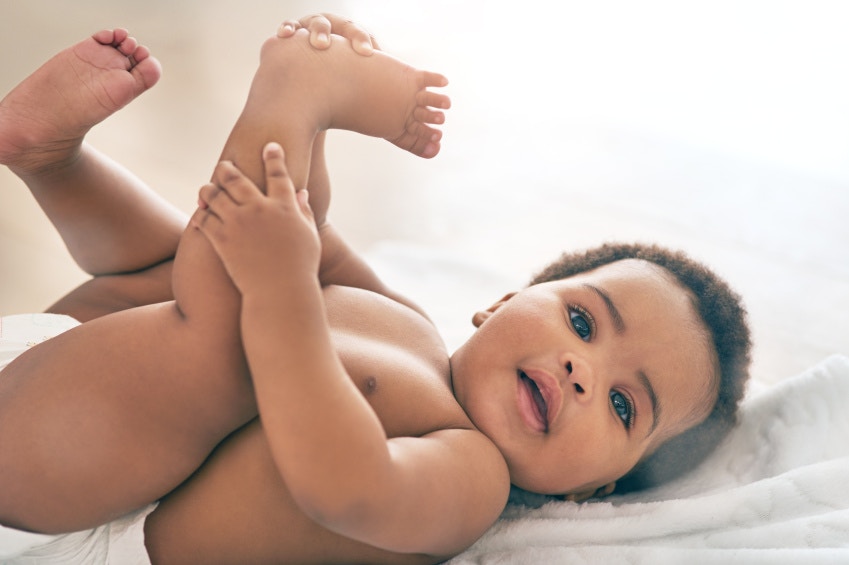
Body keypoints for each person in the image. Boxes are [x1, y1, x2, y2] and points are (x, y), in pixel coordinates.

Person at [0, 14, 751, 564]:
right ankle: (53, 163)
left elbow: (347, 489)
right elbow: (311, 230)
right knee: (203, 257)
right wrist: (315, 148)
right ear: (498, 304)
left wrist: (283, 296)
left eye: (624, 404)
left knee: (232, 324)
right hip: (64, 381)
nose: (581, 373)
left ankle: (291, 92)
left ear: (591, 489)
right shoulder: (407, 323)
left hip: (70, 513)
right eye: (582, 323)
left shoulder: (472, 473)